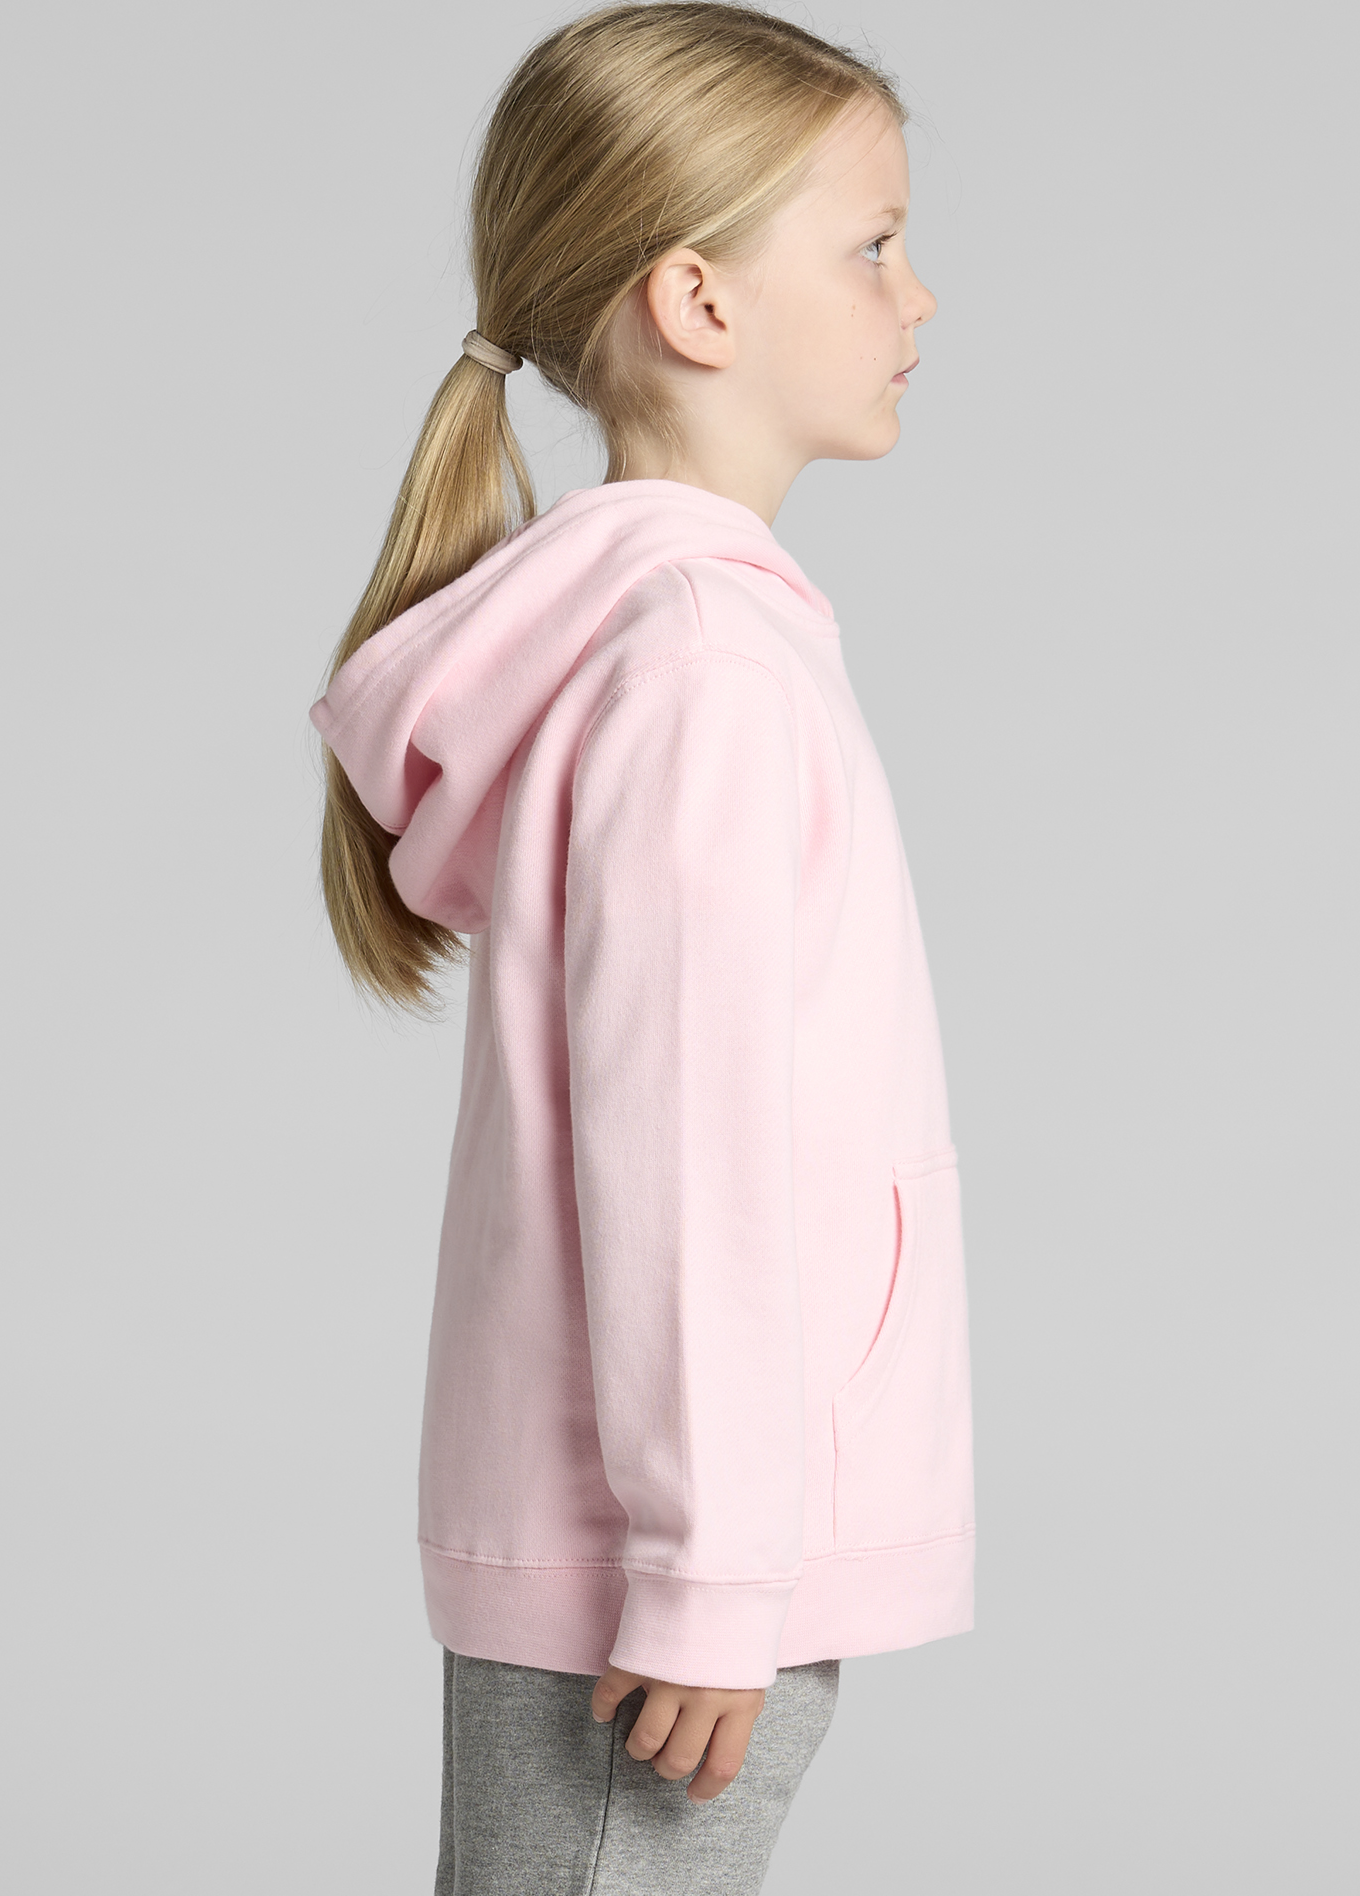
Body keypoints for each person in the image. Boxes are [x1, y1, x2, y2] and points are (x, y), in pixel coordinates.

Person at [309, 6, 975, 1888]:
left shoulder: (685, 646)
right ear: (697, 299)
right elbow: (687, 1152)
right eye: (873, 245)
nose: (920, 296)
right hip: (665, 1577)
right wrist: (704, 1575)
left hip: (684, 1542)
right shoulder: (702, 674)